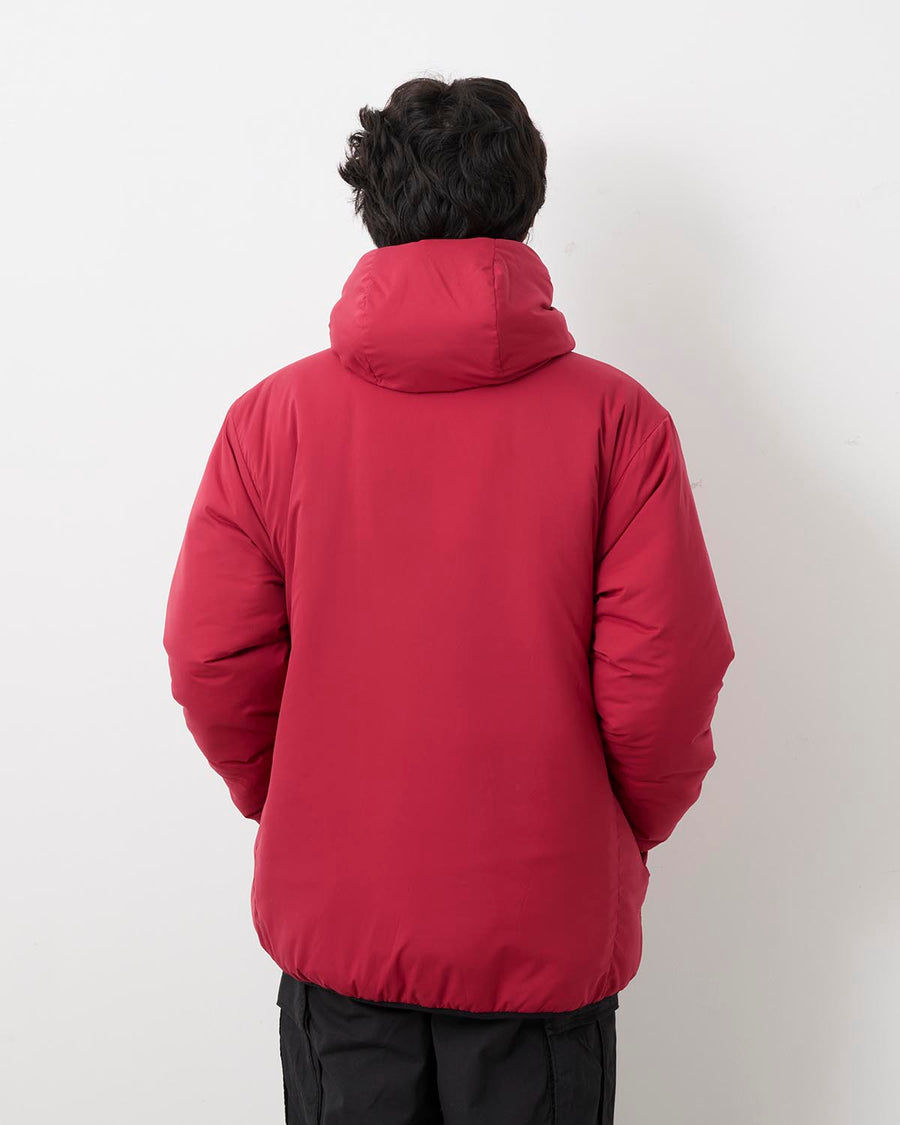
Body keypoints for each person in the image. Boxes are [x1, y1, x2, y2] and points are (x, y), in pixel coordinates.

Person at [163, 75, 735, 1124]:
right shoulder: (620, 423)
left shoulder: (269, 421)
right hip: (542, 929)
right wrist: (600, 834)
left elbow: (212, 661)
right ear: (525, 203)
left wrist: (303, 807)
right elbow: (665, 677)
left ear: (374, 206)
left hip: (340, 924)